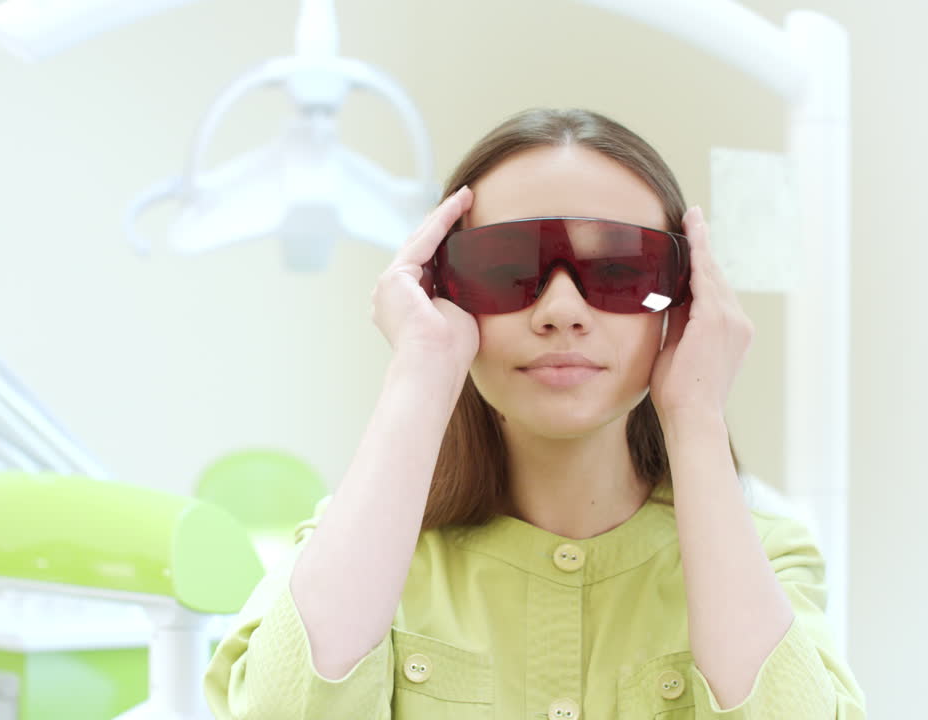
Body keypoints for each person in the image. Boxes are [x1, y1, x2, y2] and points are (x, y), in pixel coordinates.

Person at [202, 107, 866, 719]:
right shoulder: (361, 553)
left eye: (620, 270)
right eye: (504, 267)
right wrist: (420, 374)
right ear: (443, 289)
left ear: (687, 296)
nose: (561, 310)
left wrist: (696, 415)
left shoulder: (771, 557)